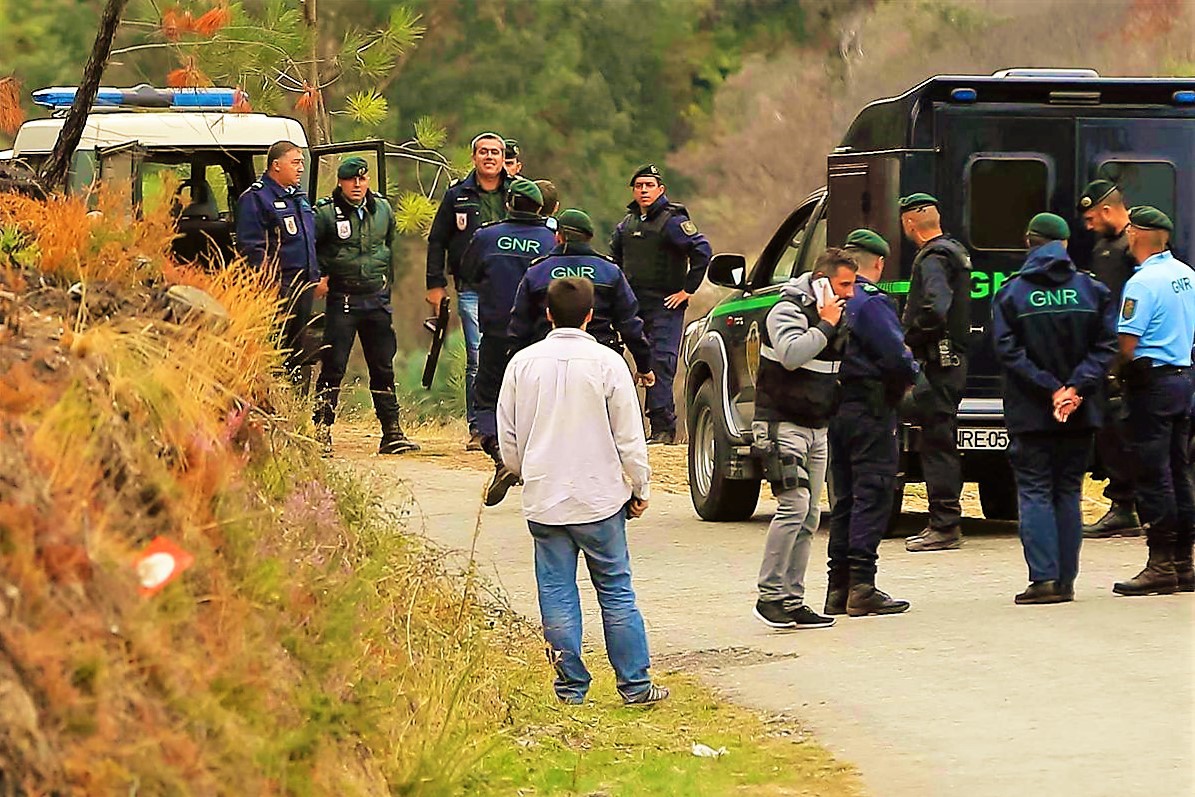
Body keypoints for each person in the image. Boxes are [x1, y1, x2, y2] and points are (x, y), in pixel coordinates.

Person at [497, 276, 667, 706]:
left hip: (545, 500)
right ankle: (635, 684)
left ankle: (570, 688)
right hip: (600, 500)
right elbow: (630, 437)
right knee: (615, 590)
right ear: (592, 315)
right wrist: (640, 485)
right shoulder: (608, 363)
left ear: (548, 314)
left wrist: (525, 472)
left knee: (555, 593)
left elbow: (508, 440)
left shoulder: (522, 364)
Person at [992, 213, 1117, 604]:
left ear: (1029, 242)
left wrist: (1050, 389)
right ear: (1064, 245)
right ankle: (1065, 580)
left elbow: (1007, 351)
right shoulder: (1092, 290)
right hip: (1080, 411)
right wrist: (1075, 388)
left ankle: (1043, 579)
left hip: (1032, 411)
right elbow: (1106, 346)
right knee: (1068, 490)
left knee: (1034, 490)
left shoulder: (1011, 293)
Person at [752, 248, 856, 630]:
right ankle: (769, 595)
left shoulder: (839, 312)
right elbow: (792, 354)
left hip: (817, 425)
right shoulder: (787, 310)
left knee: (811, 514)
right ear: (823, 281)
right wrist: (827, 324)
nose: (850, 293)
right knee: (793, 505)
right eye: (844, 285)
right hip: (782, 423)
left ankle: (792, 599)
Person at [825, 230, 918, 617]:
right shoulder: (872, 302)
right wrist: (909, 378)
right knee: (873, 492)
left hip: (835, 406)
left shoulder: (830, 298)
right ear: (878, 263)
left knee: (844, 498)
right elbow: (895, 357)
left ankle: (838, 585)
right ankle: (862, 584)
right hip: (871, 407)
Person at [310, 156, 419, 457]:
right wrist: (320, 275)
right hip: (343, 298)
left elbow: (389, 248)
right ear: (341, 183)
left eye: (362, 179)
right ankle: (321, 431)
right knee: (334, 366)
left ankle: (392, 432)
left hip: (375, 298)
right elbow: (312, 248)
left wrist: (388, 285)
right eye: (350, 180)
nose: (357, 185)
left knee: (382, 365)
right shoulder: (325, 214)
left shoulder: (382, 209)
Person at [1112, 206, 1195, 596]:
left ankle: (1160, 563)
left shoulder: (1143, 283)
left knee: (1153, 472)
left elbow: (1127, 343)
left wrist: (1116, 372)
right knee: (1180, 471)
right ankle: (1184, 561)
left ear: (1137, 235)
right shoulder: (1185, 274)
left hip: (1153, 383)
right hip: (1183, 377)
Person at [458, 178, 557, 505]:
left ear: (509, 204)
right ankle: (540, 467)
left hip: (498, 334)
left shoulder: (486, 236)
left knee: (487, 400)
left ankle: (501, 456)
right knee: (541, 403)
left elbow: (468, 275)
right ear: (541, 208)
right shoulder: (550, 240)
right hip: (539, 338)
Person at [610, 163, 712, 444]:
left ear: (661, 190)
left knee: (661, 362)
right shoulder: (627, 224)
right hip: (634, 304)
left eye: (649, 186)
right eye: (639, 186)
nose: (644, 191)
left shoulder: (673, 221)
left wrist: (687, 290)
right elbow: (615, 260)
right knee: (626, 361)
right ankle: (625, 426)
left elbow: (702, 251)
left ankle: (663, 427)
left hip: (665, 304)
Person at [425, 132, 513, 450]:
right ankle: (480, 427)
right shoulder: (456, 195)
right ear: (473, 157)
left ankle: (511, 429)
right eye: (483, 152)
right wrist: (434, 284)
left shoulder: (517, 192)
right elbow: (437, 240)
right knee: (477, 355)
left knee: (515, 358)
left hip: (515, 289)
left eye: (495, 152)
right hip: (472, 288)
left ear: (504, 158)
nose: (489, 157)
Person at [898, 193, 972, 553]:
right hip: (954, 360)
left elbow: (935, 306)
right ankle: (945, 520)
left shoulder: (932, 258)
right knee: (941, 440)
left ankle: (944, 524)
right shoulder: (954, 251)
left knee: (937, 443)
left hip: (939, 363)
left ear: (909, 223)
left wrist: (910, 338)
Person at [508, 208, 654, 386]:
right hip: (601, 361)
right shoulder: (609, 271)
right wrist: (644, 365)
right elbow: (629, 324)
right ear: (589, 237)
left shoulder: (537, 271)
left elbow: (520, 326)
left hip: (545, 361)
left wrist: (516, 363)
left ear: (558, 237)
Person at [1077, 179, 1142, 539]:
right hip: (1104, 349)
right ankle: (1123, 503)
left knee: (1127, 431)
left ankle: (1129, 504)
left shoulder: (1134, 244)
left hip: (1128, 352)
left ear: (1106, 210)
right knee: (1109, 432)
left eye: (1090, 218)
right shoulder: (1104, 246)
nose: (1088, 226)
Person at [234, 140, 319, 385]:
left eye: (302, 163)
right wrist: (268, 284)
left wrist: (317, 275)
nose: (301, 168)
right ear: (276, 166)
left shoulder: (299, 199)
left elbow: (308, 241)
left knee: (298, 352)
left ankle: (294, 407)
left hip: (304, 286)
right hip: (278, 288)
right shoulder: (257, 198)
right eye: (295, 162)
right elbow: (252, 248)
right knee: (273, 350)